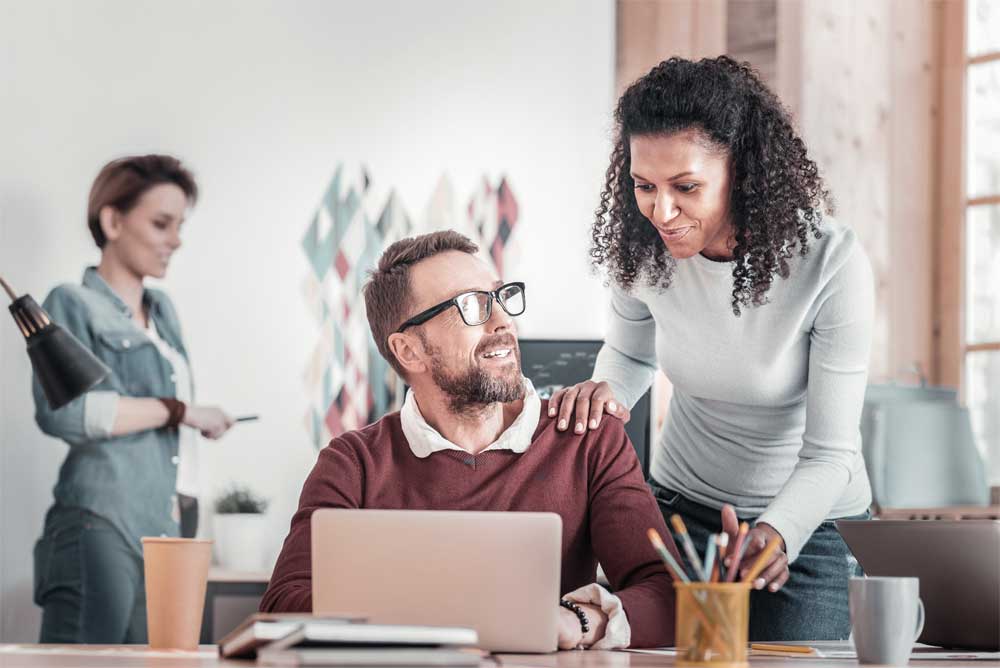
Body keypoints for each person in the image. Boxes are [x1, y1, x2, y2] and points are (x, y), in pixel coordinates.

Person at [549, 56, 874, 640]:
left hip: (808, 528)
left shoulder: (831, 262)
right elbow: (630, 355)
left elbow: (831, 454)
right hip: (681, 510)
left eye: (686, 187)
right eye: (643, 186)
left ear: (742, 173)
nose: (661, 212)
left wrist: (775, 533)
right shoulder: (643, 250)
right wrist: (607, 394)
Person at [261, 230, 681, 649]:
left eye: (499, 297)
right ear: (409, 351)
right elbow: (283, 605)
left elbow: (669, 595)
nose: (503, 321)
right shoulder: (353, 463)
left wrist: (576, 621)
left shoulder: (587, 439)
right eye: (472, 305)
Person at [31, 155, 235, 643]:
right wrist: (179, 411)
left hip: (169, 525)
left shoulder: (163, 312)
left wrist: (192, 420)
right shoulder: (70, 303)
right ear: (113, 220)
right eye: (162, 223)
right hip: (101, 520)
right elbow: (66, 413)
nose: (176, 239)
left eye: (180, 225)